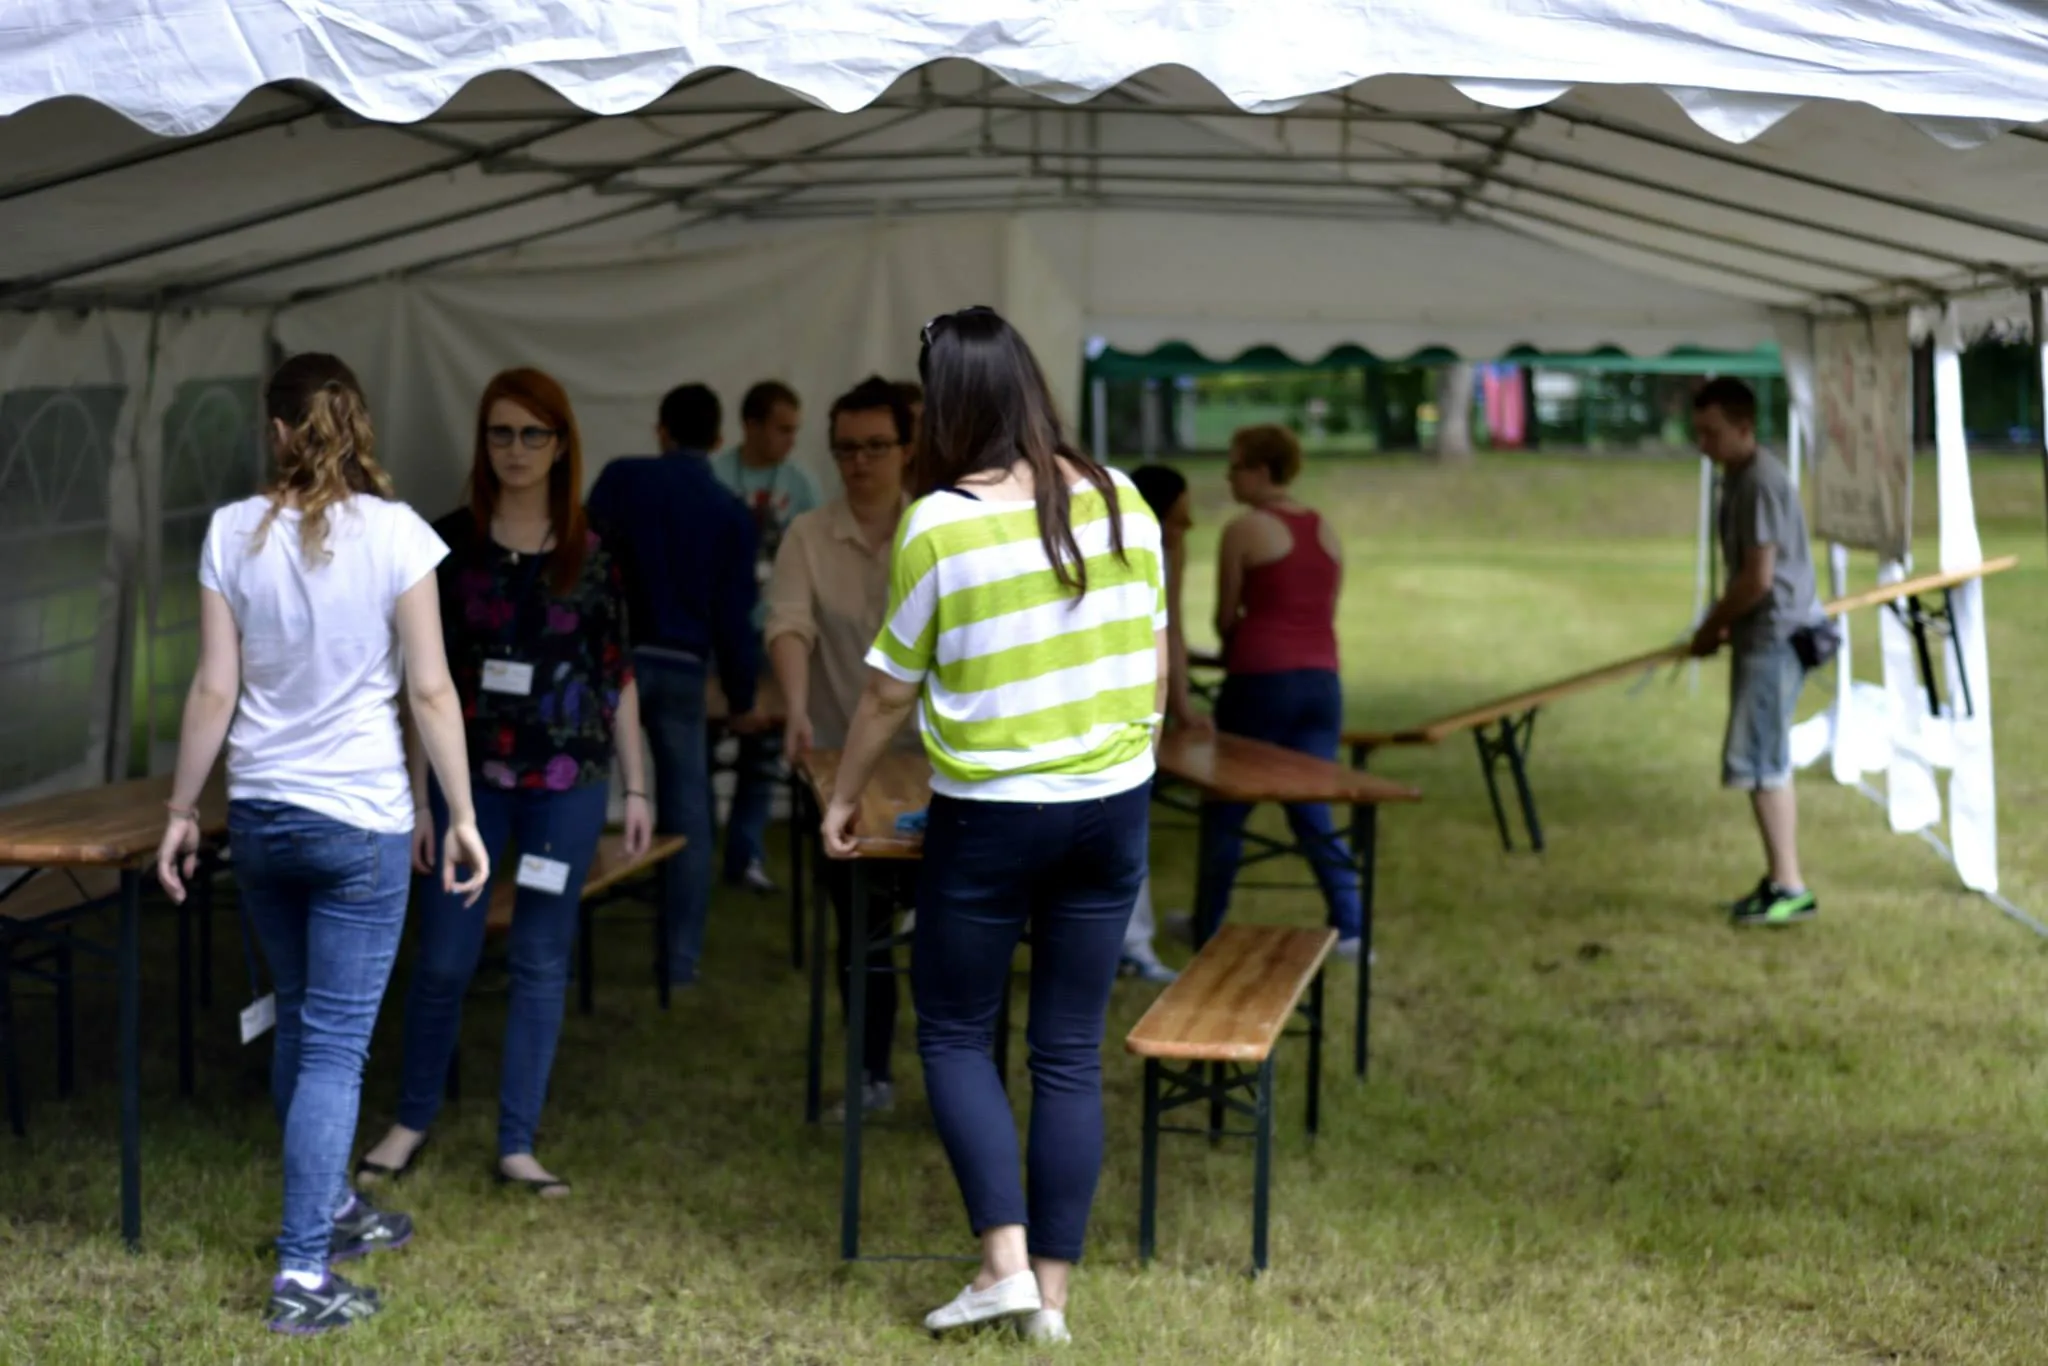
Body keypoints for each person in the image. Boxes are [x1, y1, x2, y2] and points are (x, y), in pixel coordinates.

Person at [824, 307, 1167, 1346]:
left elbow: (888, 692)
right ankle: (1049, 1302)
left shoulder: (938, 520)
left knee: (957, 1032)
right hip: (1111, 808)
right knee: (1067, 1047)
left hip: (992, 814)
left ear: (945, 406)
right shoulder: (1123, 499)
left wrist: (844, 794)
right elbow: (1153, 663)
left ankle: (1002, 1263)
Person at [154, 353, 488, 1335]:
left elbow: (213, 688)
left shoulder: (229, 532)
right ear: (359, 424)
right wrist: (462, 814)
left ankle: (331, 1206)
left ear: (276, 430)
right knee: (336, 1047)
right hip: (361, 822)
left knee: (302, 1021)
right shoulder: (399, 536)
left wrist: (182, 811)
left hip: (263, 815)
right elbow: (429, 689)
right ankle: (303, 1270)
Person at [357, 368, 652, 1198]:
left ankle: (517, 1141)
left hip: (568, 782)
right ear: (482, 443)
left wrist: (638, 789)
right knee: (445, 958)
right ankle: (411, 1119)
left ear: (561, 445)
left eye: (532, 434)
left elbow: (616, 675)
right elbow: (424, 682)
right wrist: (419, 801)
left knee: (540, 958)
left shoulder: (596, 551)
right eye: (501, 433)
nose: (516, 449)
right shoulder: (441, 546)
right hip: (469, 787)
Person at [765, 376, 916, 1118]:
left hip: (938, 762)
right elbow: (790, 624)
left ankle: (963, 1075)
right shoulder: (807, 534)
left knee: (956, 928)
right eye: (847, 449)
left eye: (876, 446)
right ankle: (871, 1073)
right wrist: (794, 710)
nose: (860, 462)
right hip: (838, 759)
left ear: (907, 448)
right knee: (862, 931)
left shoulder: (940, 528)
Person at [587, 385, 760, 989]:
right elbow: (736, 619)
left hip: (610, 658)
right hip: (685, 667)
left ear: (660, 429)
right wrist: (741, 699)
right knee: (687, 813)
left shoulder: (620, 479)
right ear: (718, 440)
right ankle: (680, 960)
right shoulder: (731, 510)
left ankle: (555, 939)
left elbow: (583, 568)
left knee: (579, 797)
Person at [1201, 424, 1364, 957]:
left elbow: (1225, 616)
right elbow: (1327, 611)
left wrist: (1232, 647)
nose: (1229, 476)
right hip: (1322, 680)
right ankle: (1351, 923)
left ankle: (1209, 923)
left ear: (1262, 470)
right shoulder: (1327, 531)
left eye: (1236, 465)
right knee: (1311, 803)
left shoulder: (1246, 530)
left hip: (1260, 679)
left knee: (1227, 805)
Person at [1689, 376, 1825, 926]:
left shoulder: (1761, 482)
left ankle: (1789, 887)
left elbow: (1758, 579)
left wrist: (1712, 625)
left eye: (1713, 433)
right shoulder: (1737, 476)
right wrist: (1722, 626)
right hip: (1758, 634)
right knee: (1763, 757)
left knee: (1763, 761)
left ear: (1744, 428)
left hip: (1775, 637)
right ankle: (1779, 880)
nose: (1704, 444)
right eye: (1698, 433)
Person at [709, 380, 819, 893]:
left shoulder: (800, 484)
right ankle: (696, 851)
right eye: (782, 429)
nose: (790, 440)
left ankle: (745, 854)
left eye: (795, 430)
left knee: (764, 750)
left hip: (772, 633)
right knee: (701, 746)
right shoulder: (713, 476)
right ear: (750, 426)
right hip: (718, 637)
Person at [1119, 464, 1211, 984]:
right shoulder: (1123, 547)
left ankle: (1131, 943)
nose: (1188, 527)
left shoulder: (1167, 550)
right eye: (1179, 518)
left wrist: (1182, 709)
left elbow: (1171, 631)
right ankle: (1130, 945)